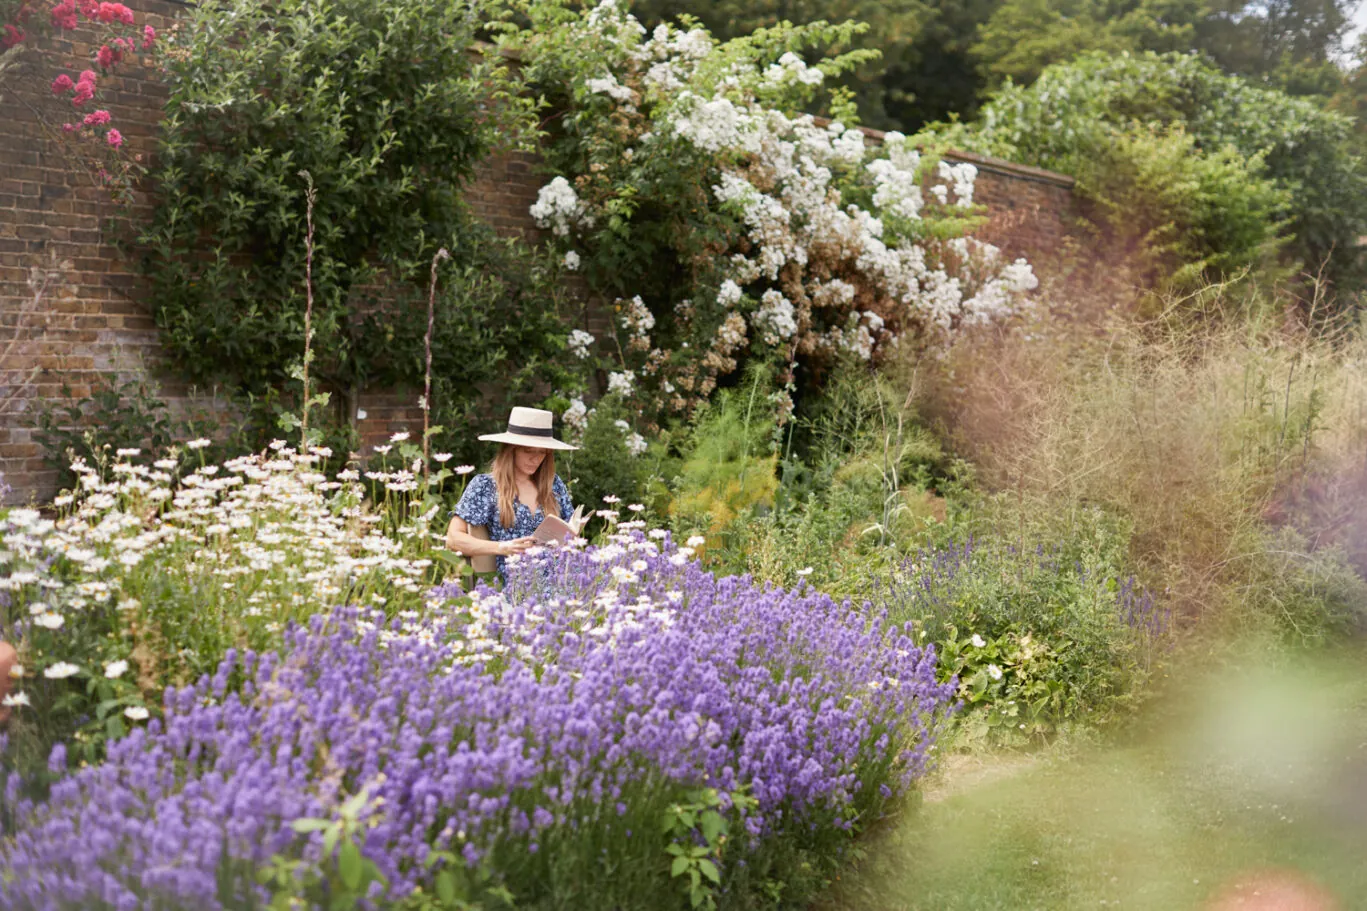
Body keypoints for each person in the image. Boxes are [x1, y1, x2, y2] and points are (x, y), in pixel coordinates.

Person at [445, 406, 578, 580]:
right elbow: (453, 539)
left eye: (543, 452)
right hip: (514, 584)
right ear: (511, 449)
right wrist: (502, 547)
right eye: (528, 450)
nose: (536, 459)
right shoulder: (486, 486)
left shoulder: (553, 484)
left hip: (559, 579)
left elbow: (572, 534)